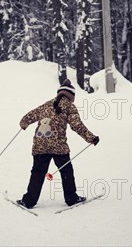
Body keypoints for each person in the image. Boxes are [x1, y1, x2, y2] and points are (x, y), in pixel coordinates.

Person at [17, 78, 100, 209]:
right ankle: (71, 198)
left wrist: (23, 123)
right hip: (58, 147)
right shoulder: (70, 106)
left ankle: (29, 201)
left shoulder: (47, 104)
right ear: (72, 96)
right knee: (66, 170)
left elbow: (30, 115)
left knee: (38, 172)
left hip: (40, 144)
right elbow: (77, 125)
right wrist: (91, 138)